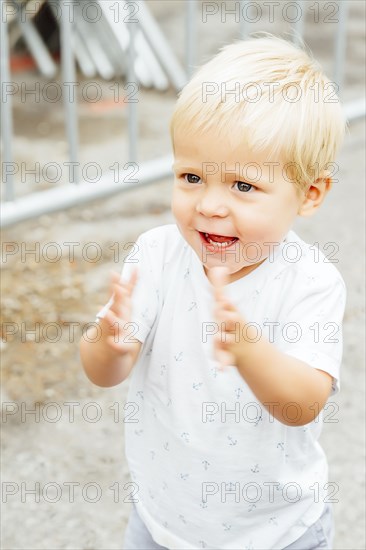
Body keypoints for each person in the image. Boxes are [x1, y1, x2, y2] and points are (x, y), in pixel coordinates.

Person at [80, 34, 347, 550]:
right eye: (192, 176)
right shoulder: (158, 255)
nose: (209, 205)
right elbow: (104, 375)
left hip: (276, 533)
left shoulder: (309, 282)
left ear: (309, 194)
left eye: (243, 186)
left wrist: (248, 349)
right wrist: (107, 343)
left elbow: (302, 406)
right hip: (163, 522)